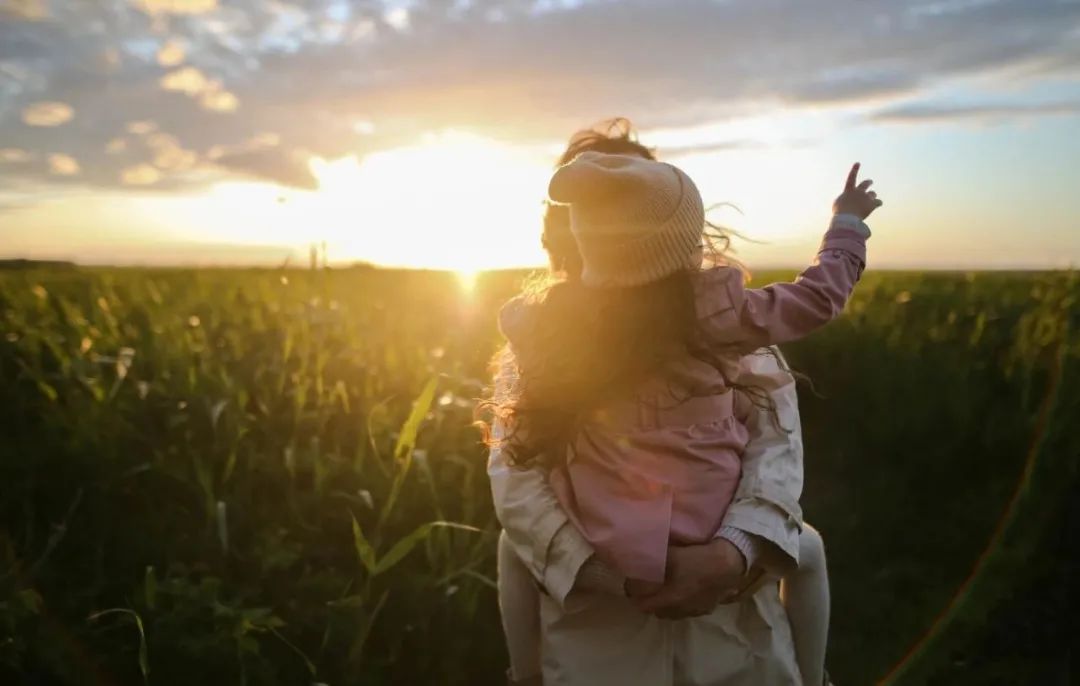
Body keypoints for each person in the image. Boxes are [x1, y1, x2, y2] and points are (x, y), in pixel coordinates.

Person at [487, 122, 880, 685]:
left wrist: (733, 552)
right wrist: (846, 227)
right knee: (808, 548)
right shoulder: (725, 319)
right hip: (595, 634)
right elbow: (517, 481)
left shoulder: (546, 332)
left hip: (734, 628)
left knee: (511, 552)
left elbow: (776, 446)